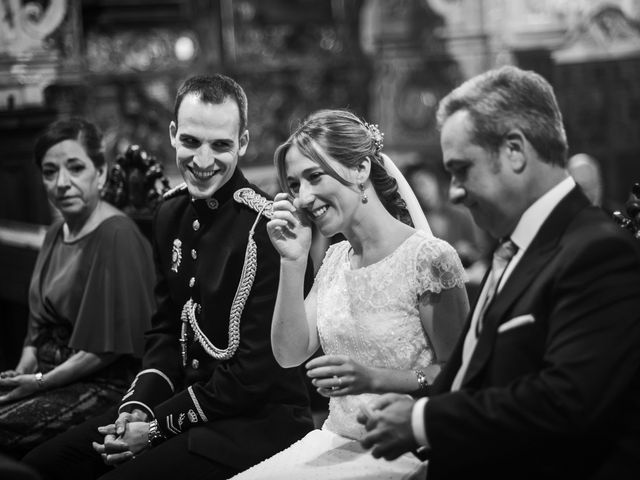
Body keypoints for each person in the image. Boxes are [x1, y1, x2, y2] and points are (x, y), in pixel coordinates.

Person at [23, 74, 314, 479]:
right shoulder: (169, 214)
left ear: (243, 144)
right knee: (42, 466)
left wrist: (156, 427)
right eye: (192, 141)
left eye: (221, 145)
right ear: (174, 135)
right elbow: (164, 331)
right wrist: (137, 407)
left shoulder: (267, 231)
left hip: (256, 422)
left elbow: (253, 377)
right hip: (183, 403)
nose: (203, 160)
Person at [358, 66, 640, 479]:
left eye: (462, 169)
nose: (453, 191)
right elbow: (478, 375)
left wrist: (423, 420)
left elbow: (565, 400)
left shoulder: (598, 252)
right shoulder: (516, 247)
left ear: (514, 150)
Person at [231, 109, 469, 479]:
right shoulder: (335, 258)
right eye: (294, 185)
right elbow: (289, 353)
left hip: (406, 451)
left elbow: (461, 378)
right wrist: (292, 263)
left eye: (314, 177)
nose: (304, 197)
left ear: (360, 169)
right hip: (333, 442)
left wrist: (379, 379)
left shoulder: (428, 259)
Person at [0, 118, 155, 457]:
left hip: (102, 383)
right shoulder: (56, 233)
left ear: (99, 173)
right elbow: (38, 321)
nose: (62, 183)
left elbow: (109, 349)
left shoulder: (117, 235)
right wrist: (26, 362)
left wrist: (41, 381)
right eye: (49, 171)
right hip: (50, 374)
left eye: (75, 168)